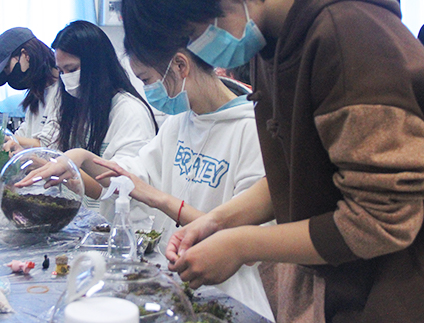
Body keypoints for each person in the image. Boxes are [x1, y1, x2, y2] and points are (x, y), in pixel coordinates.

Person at [118, 0, 424, 322]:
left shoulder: (348, 37)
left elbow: (381, 221)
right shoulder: (272, 36)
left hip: (388, 288)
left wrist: (243, 245)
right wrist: (218, 222)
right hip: (337, 280)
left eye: (191, 33)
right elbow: (294, 173)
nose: (195, 50)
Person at [17, 47, 274, 320]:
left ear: (180, 66)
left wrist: (160, 199)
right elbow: (134, 176)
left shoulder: (253, 130)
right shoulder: (180, 121)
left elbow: (246, 243)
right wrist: (81, 158)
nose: (147, 91)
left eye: (147, 80)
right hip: (176, 282)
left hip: (228, 294)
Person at [27, 20, 158, 217]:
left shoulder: (129, 112)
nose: (66, 78)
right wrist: (52, 168)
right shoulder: (76, 106)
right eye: (61, 71)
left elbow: (123, 188)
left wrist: (72, 167)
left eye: (72, 69)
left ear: (96, 65)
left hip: (120, 224)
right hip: (85, 222)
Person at [0, 27, 59, 144]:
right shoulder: (37, 95)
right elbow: (24, 134)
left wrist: (1, 136)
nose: (9, 75)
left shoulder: (65, 92)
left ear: (25, 54)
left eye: (7, 67)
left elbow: (48, 146)